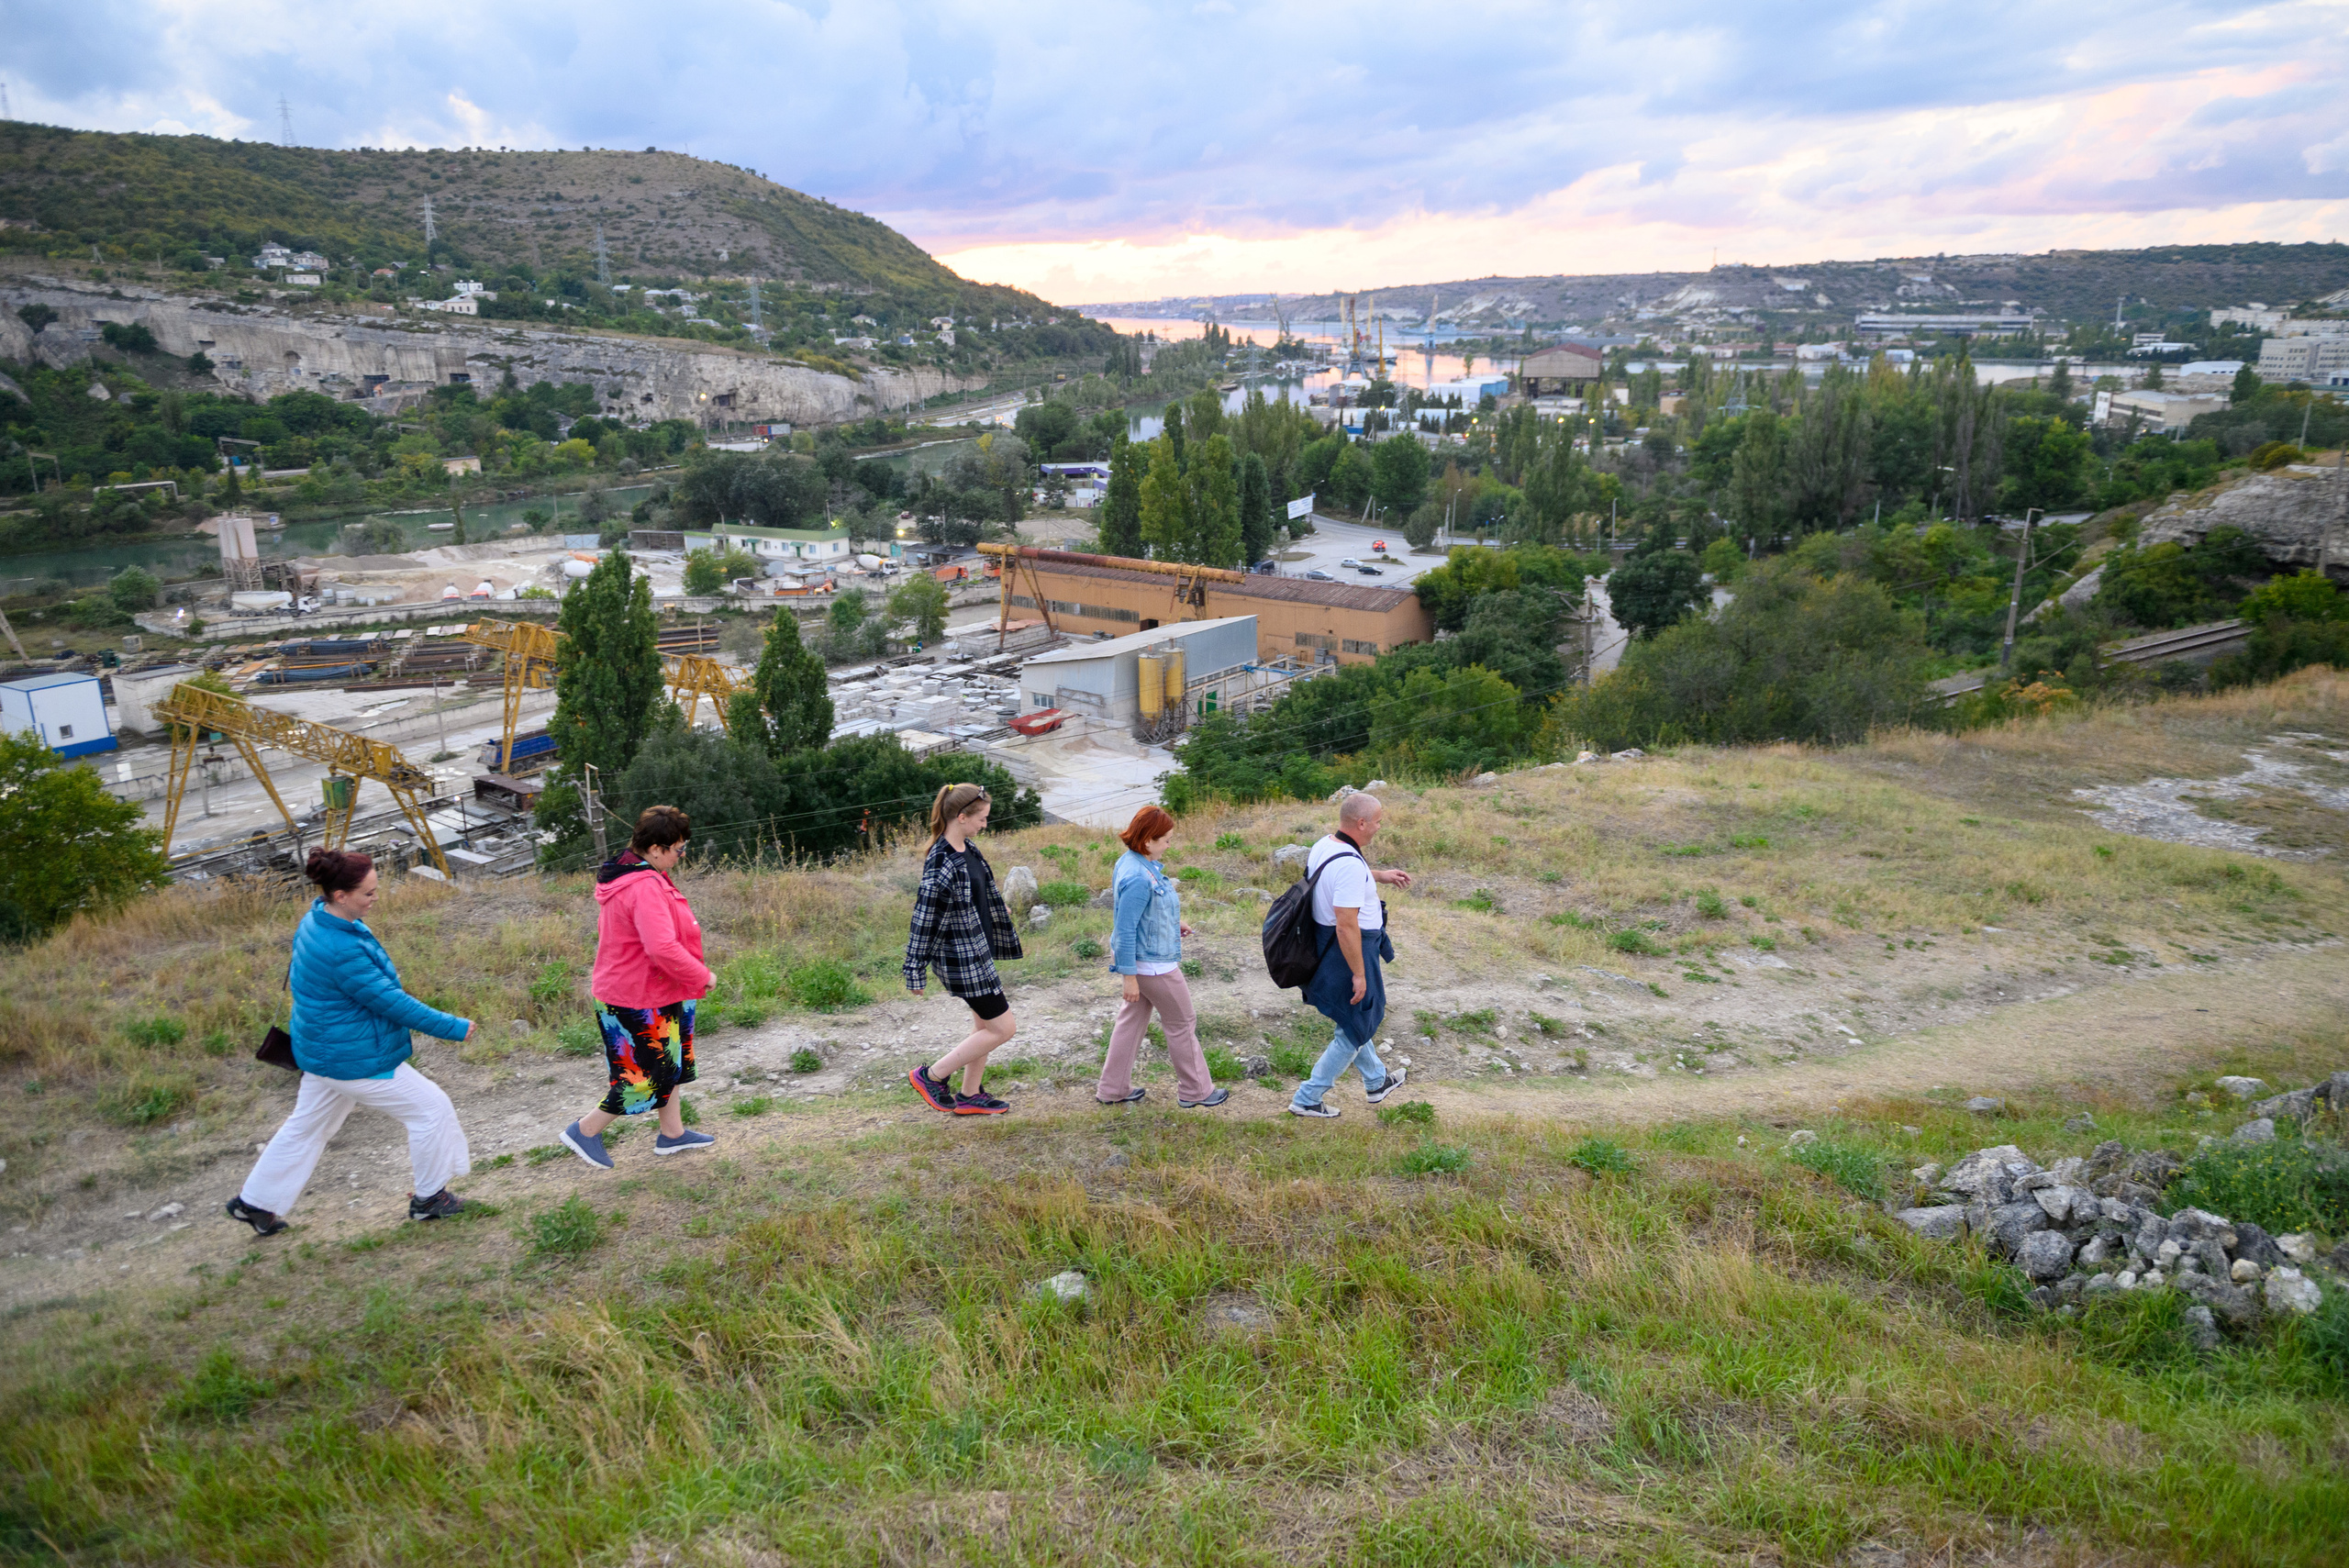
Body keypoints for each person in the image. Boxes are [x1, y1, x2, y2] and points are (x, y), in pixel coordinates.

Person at [225, 849, 477, 1235]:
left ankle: (255, 1203)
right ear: (340, 895)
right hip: (350, 1057)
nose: (375, 898)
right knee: (431, 1110)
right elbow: (392, 1002)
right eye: (368, 893)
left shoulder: (317, 918)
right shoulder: (341, 949)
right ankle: (430, 1200)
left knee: (306, 1128)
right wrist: (453, 1027)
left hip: (321, 1050)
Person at [560, 806, 718, 1169]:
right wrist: (701, 975)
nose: (682, 855)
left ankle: (672, 1134)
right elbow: (661, 947)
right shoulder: (644, 885)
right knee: (644, 1076)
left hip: (656, 989)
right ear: (657, 849)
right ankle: (584, 1131)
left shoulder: (640, 873)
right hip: (635, 996)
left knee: (671, 1065)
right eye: (679, 848)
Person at [1289, 792, 1413, 1118]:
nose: (1379, 827)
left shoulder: (1325, 846)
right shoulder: (1349, 864)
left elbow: (1340, 876)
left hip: (1327, 945)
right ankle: (1307, 1098)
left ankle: (1377, 1081)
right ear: (1361, 823)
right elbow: (1346, 926)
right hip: (1348, 950)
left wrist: (1379, 876)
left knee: (1354, 1019)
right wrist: (1358, 973)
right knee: (1356, 1024)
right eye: (1377, 822)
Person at [904, 782, 1024, 1115]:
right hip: (963, 961)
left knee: (985, 1027)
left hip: (978, 951)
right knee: (1004, 1028)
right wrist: (914, 968)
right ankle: (931, 1076)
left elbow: (975, 893)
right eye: (981, 818)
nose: (985, 824)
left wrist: (996, 909)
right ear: (961, 817)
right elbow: (924, 918)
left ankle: (970, 1095)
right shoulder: (942, 861)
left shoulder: (967, 848)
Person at [1097, 805, 1225, 1108]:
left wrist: (1171, 922)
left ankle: (1112, 1089)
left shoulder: (1131, 862)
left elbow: (1143, 914)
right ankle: (1196, 1090)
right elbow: (1126, 929)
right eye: (1166, 839)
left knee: (1131, 1023)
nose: (1169, 845)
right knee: (1182, 1022)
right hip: (1153, 965)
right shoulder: (1139, 877)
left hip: (1144, 961)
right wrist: (1129, 977)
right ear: (1147, 840)